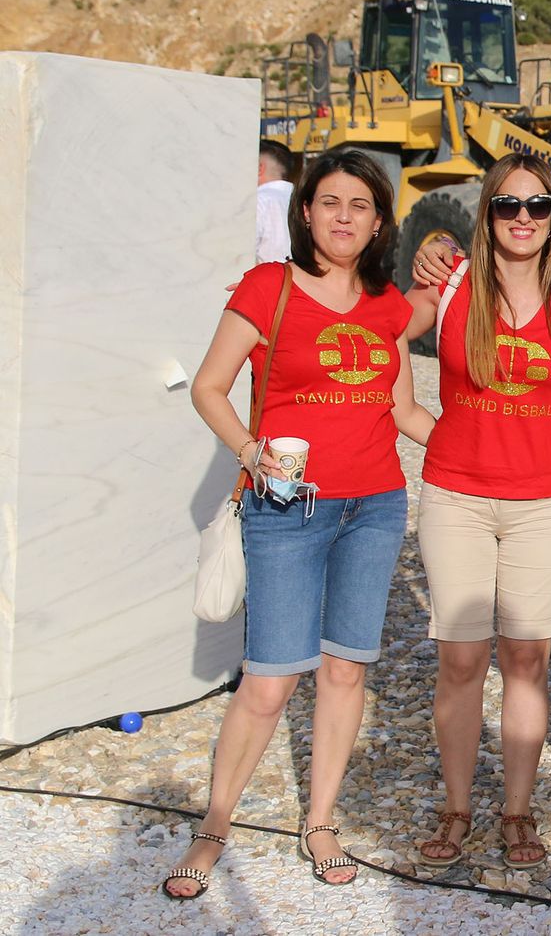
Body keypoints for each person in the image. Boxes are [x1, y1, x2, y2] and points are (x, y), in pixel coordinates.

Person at [163, 150, 433, 898]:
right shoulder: (267, 287)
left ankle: (319, 820)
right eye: (329, 202)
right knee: (270, 681)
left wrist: (491, 448)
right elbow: (211, 387)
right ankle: (215, 823)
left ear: (379, 223)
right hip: (287, 509)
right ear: (305, 211)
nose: (343, 216)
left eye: (359, 206)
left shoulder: (386, 306)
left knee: (346, 670)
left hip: (375, 507)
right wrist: (252, 452)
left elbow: (405, 411)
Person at [403, 155, 551, 870]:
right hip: (457, 498)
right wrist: (409, 414)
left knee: (526, 657)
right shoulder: (450, 283)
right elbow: (379, 320)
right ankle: (458, 805)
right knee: (460, 659)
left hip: (542, 503)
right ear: (485, 213)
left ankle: (516, 809)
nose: (522, 217)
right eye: (507, 205)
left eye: (538, 205)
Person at [256, 140, 295, 264]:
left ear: (259, 168)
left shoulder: (258, 200)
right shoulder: (306, 199)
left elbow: (241, 255)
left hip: (263, 280)